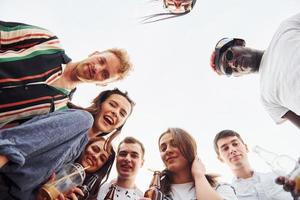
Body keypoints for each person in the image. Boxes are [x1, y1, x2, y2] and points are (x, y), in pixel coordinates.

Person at [0, 89, 134, 199]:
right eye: (112, 105)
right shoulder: (82, 119)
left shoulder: (80, 147)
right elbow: (13, 144)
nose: (115, 112)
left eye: (122, 113)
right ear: (100, 104)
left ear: (119, 126)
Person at [0, 21, 133, 129]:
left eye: (104, 74)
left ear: (102, 83)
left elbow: (14, 129)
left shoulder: (61, 110)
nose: (97, 68)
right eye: (101, 60)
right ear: (94, 53)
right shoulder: (47, 41)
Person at [209, 12, 300, 129]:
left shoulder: (285, 30)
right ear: (237, 76)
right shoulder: (266, 98)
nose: (232, 64)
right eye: (228, 70)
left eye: (229, 56)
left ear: (239, 43)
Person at [157, 128, 237, 200]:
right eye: (163, 148)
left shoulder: (220, 188)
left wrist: (199, 176)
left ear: (190, 148)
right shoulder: (156, 193)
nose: (168, 150)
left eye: (174, 145)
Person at [213, 129, 293, 200]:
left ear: (246, 148)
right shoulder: (230, 194)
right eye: (225, 148)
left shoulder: (278, 177)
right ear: (220, 158)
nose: (232, 150)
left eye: (235, 144)